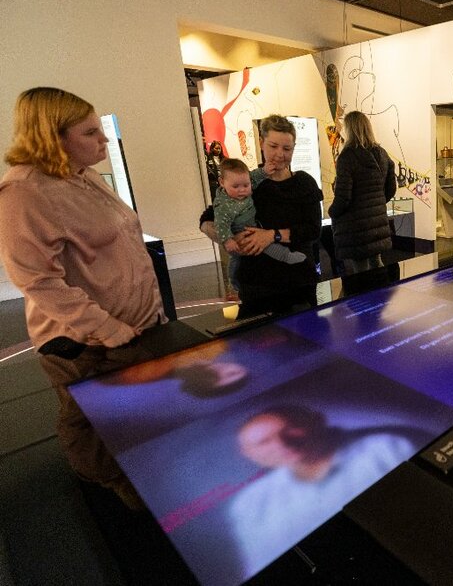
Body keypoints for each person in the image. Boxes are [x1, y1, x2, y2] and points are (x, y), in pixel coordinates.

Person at [0, 87, 167, 508]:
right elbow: (36, 280)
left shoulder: (83, 176)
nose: (104, 140)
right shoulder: (24, 193)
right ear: (53, 136)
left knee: (131, 412)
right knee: (90, 424)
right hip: (85, 341)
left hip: (130, 328)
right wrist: (107, 328)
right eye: (91, 132)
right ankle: (110, 483)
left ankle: (136, 470)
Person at [229, 405, 427, 579]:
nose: (282, 444)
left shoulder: (385, 449)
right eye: (264, 442)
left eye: (290, 430)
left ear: (317, 421)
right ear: (248, 454)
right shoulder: (249, 503)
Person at [203, 114, 323, 317]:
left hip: (298, 282)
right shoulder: (247, 183)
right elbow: (207, 219)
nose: (279, 154)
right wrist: (230, 238)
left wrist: (271, 235)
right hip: (257, 284)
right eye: (273, 146)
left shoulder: (305, 183)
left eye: (287, 149)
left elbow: (312, 230)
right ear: (261, 143)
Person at [214, 158, 306, 291]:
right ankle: (233, 281)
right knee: (236, 260)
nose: (242, 190)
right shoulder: (224, 206)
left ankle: (287, 256)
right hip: (240, 234)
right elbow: (220, 224)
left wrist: (264, 171)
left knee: (268, 244)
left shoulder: (247, 185)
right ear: (222, 182)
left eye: (245, 185)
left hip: (254, 227)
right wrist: (228, 240)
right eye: (235, 187)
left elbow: (254, 177)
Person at [328, 111, 397, 274]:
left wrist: (332, 212)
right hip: (377, 222)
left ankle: (366, 300)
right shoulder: (382, 153)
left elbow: (343, 197)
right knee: (377, 264)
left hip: (356, 226)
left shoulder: (347, 156)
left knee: (361, 270)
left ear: (350, 129)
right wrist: (376, 203)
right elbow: (391, 189)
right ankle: (383, 298)